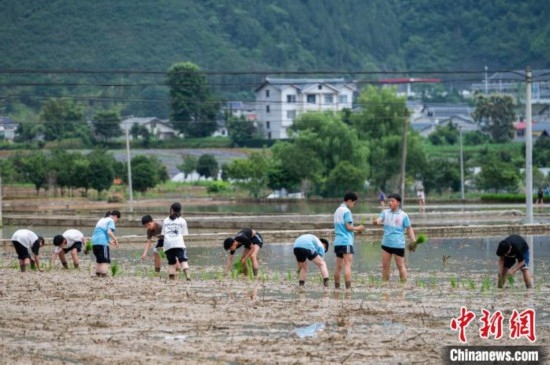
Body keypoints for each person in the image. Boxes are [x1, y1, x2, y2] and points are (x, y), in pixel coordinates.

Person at [374, 193, 416, 282]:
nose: (390, 202)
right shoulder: (385, 212)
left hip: (398, 244)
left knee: (401, 266)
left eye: (392, 201)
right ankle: (385, 288)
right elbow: (379, 219)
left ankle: (403, 286)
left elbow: (409, 228)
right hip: (386, 244)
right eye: (389, 201)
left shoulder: (404, 215)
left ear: (398, 203)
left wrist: (413, 240)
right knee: (385, 266)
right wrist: (376, 221)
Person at [333, 192, 365, 289]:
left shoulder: (337, 210)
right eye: (354, 203)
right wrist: (358, 228)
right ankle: (348, 289)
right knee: (347, 265)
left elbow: (342, 227)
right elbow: (348, 227)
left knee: (338, 267)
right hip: (345, 242)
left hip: (337, 242)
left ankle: (337, 288)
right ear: (350, 201)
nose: (353, 206)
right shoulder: (346, 211)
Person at [161, 202, 191, 280]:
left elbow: (163, 234)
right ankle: (187, 275)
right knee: (183, 260)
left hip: (168, 245)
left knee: (171, 262)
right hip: (179, 244)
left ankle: (172, 279)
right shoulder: (182, 221)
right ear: (180, 210)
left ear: (171, 210)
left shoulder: (165, 220)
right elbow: (184, 234)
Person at [91, 210, 120, 277]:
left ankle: (98, 273)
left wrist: (110, 242)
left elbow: (100, 232)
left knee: (99, 259)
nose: (116, 221)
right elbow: (109, 232)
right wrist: (115, 239)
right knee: (105, 259)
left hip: (94, 242)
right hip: (102, 242)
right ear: (115, 216)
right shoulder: (111, 220)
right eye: (117, 219)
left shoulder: (102, 220)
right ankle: (104, 274)